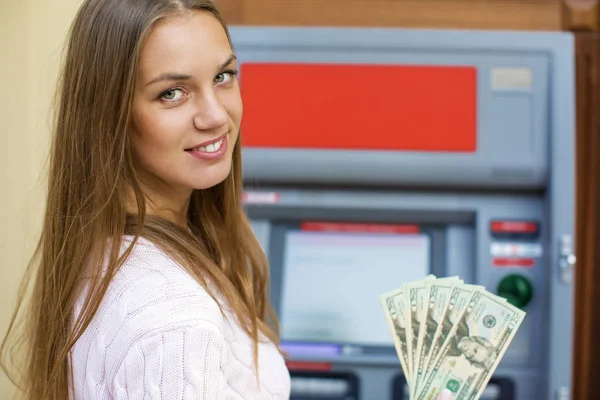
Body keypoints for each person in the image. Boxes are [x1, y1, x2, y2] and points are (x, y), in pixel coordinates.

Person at [0, 0, 455, 399]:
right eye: (172, 93)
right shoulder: (175, 321)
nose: (216, 116)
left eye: (223, 76)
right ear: (109, 116)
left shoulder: (105, 251)